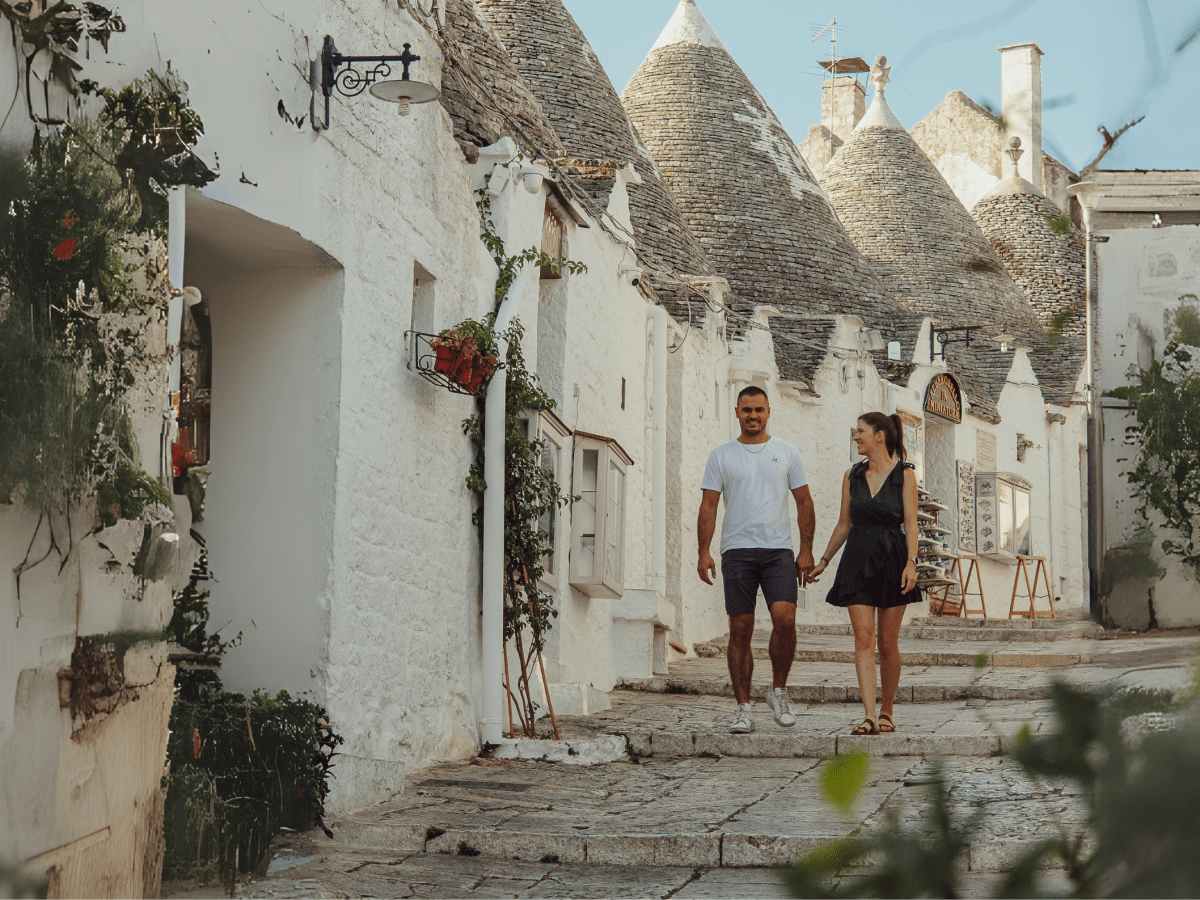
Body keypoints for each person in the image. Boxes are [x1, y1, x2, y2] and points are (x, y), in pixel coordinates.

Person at [697, 386, 816, 734]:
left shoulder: (787, 452)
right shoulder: (721, 456)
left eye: (759, 410)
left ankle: (778, 691)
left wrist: (805, 550)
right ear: (737, 412)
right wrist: (703, 550)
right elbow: (708, 505)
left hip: (778, 550)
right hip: (736, 551)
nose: (753, 416)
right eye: (747, 410)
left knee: (785, 619)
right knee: (740, 629)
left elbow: (805, 503)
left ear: (768, 412)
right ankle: (743, 707)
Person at [808, 412, 919, 737]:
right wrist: (825, 560)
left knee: (887, 642)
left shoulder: (905, 475)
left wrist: (912, 562)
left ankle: (887, 710)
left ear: (879, 436)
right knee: (863, 638)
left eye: (861, 431)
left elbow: (911, 523)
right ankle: (869, 714)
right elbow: (845, 523)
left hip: (893, 559)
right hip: (856, 561)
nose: (855, 437)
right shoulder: (851, 476)